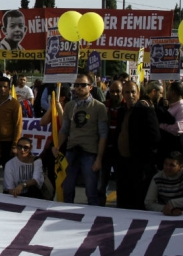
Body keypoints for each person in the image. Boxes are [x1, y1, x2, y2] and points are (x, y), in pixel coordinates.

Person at [53, 73, 108, 205]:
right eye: (76, 85)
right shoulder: (70, 106)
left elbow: (103, 135)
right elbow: (64, 130)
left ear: (90, 87)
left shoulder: (99, 107)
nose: (79, 87)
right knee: (67, 189)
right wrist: (57, 147)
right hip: (71, 151)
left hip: (90, 153)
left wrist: (99, 159)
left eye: (83, 85)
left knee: (91, 192)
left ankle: (92, 220)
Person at [115, 81, 161, 210]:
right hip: (122, 162)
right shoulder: (122, 111)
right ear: (123, 94)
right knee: (123, 199)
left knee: (138, 200)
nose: (130, 95)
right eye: (127, 92)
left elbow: (155, 137)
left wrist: (146, 161)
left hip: (139, 165)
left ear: (138, 93)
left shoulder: (146, 111)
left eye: (133, 92)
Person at [158, 81, 183, 169]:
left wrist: (161, 126)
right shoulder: (171, 107)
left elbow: (178, 129)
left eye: (168, 90)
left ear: (173, 92)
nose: (167, 92)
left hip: (178, 152)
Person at [100, 80, 125, 206]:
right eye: (113, 91)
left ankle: (120, 207)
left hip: (120, 151)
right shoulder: (103, 106)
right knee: (101, 182)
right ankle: (99, 207)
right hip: (105, 149)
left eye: (118, 91)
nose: (115, 94)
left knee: (121, 182)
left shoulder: (127, 107)